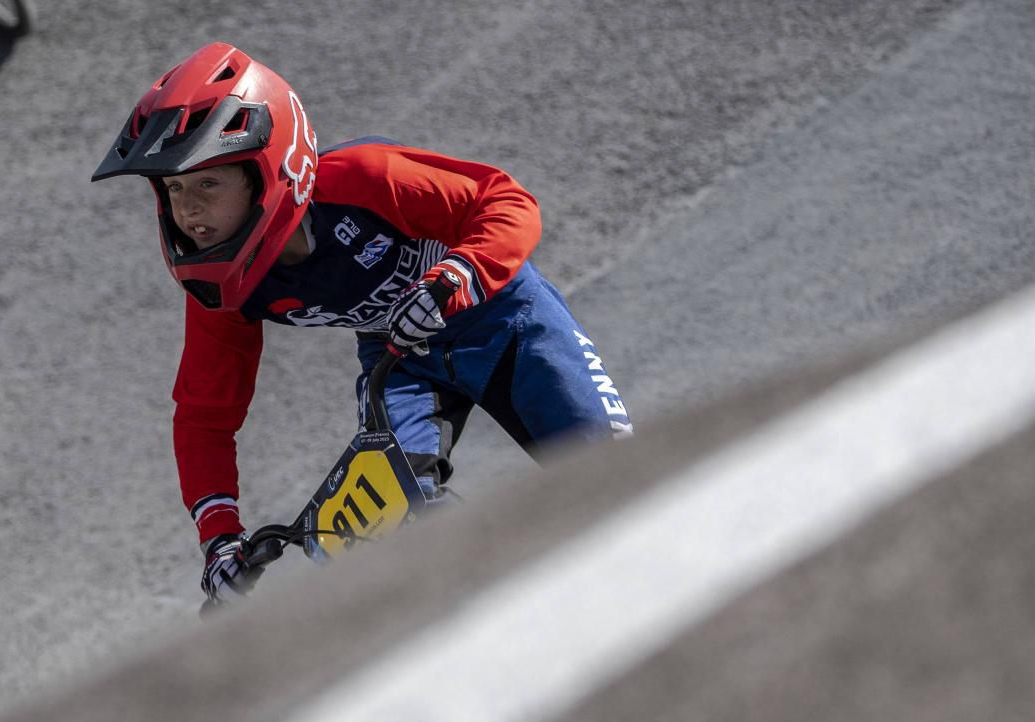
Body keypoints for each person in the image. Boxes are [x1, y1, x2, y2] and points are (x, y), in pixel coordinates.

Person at [92, 42, 633, 607]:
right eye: (173, 189)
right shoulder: (219, 284)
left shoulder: (365, 179)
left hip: (505, 322)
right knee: (380, 539)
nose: (188, 213)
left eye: (208, 184)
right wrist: (219, 539)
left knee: (622, 482)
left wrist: (458, 275)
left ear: (268, 170)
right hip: (401, 361)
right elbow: (204, 417)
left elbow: (505, 201)